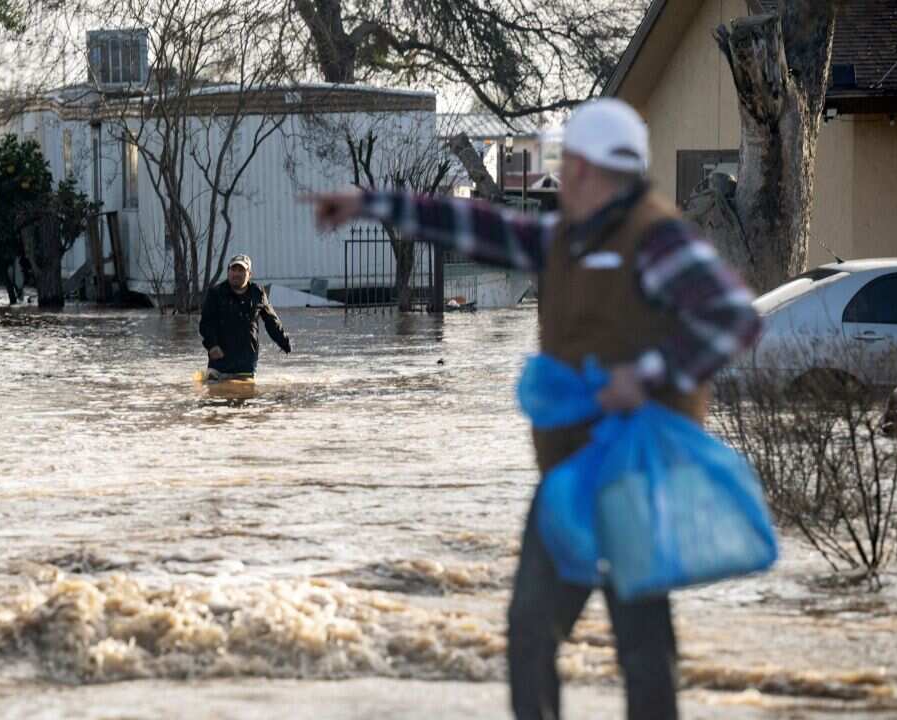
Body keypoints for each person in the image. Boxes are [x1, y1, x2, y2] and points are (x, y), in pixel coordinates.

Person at [305, 98, 762, 720]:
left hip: (636, 476)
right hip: (568, 476)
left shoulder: (657, 239)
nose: (562, 175)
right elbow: (476, 226)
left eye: (567, 162)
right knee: (530, 629)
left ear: (584, 169)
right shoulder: (561, 239)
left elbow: (734, 317)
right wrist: (369, 203)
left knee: (643, 645)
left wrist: (648, 375)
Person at [198, 254, 291, 379]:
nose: (236, 274)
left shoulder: (257, 293)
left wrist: (284, 342)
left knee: (245, 395)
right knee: (216, 395)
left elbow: (271, 321)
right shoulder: (216, 293)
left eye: (241, 270)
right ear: (228, 272)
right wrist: (212, 345)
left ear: (249, 274)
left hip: (246, 362)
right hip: (219, 361)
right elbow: (206, 323)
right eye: (233, 269)